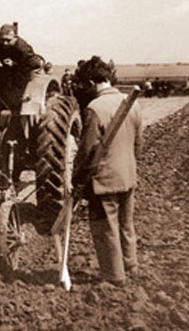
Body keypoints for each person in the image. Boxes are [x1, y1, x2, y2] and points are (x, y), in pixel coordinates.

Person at [71, 56, 143, 287]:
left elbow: (87, 152)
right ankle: (130, 265)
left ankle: (113, 277)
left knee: (106, 229)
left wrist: (77, 181)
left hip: (104, 181)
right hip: (128, 175)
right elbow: (138, 144)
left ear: (92, 82)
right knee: (126, 224)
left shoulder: (94, 109)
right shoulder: (131, 102)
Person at [0, 23, 45, 109]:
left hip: (26, 72)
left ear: (15, 38)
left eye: (8, 40)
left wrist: (14, 64)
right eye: (2, 40)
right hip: (11, 72)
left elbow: (33, 64)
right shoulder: (1, 42)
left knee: (21, 99)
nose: (5, 43)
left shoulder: (23, 48)